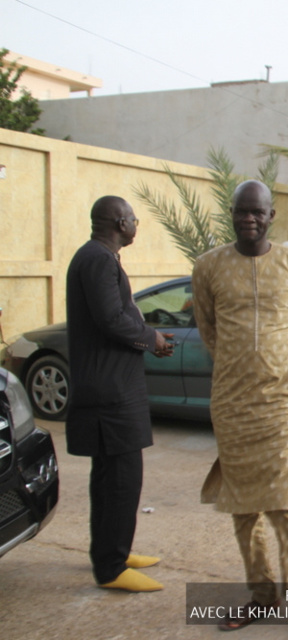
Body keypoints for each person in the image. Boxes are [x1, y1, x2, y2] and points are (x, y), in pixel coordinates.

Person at [192, 180, 288, 633]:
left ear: (271, 217)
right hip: (233, 403)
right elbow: (209, 329)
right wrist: (241, 365)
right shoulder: (208, 266)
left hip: (286, 399)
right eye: (241, 211)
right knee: (243, 508)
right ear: (232, 215)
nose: (248, 218)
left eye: (257, 212)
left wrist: (273, 360)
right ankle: (262, 594)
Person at [66, 196, 174, 593]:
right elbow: (110, 318)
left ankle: (113, 551)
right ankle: (111, 568)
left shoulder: (100, 257)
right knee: (122, 480)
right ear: (119, 221)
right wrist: (152, 338)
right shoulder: (97, 259)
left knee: (111, 479)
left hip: (114, 388)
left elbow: (115, 315)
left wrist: (149, 339)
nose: (136, 225)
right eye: (133, 219)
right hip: (109, 396)